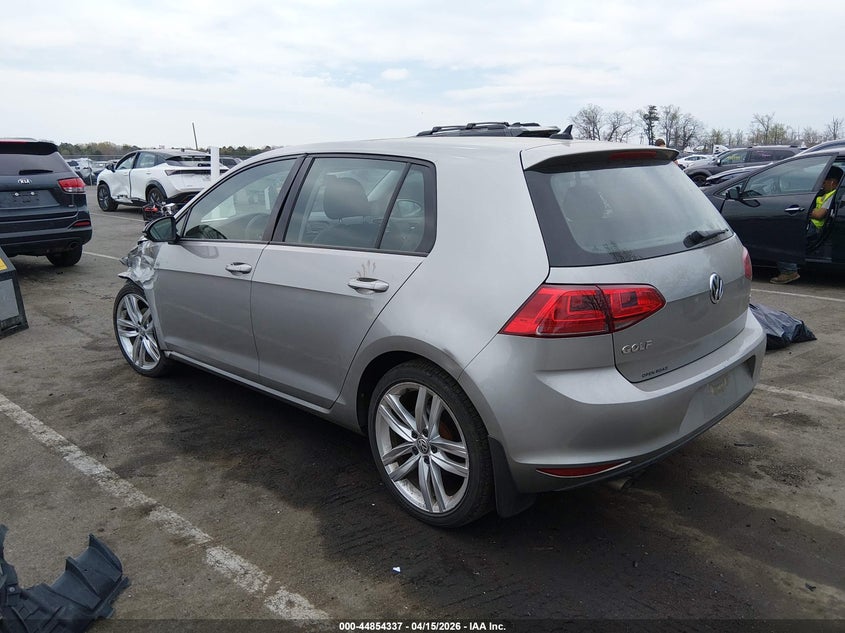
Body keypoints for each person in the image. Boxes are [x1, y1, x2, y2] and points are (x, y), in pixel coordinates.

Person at [770, 165, 843, 284]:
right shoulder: (826, 194)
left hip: (814, 227)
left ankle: (789, 271)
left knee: (782, 237)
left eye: (824, 182)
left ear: (832, 182)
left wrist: (805, 210)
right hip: (811, 225)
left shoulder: (832, 195)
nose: (822, 185)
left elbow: (819, 214)